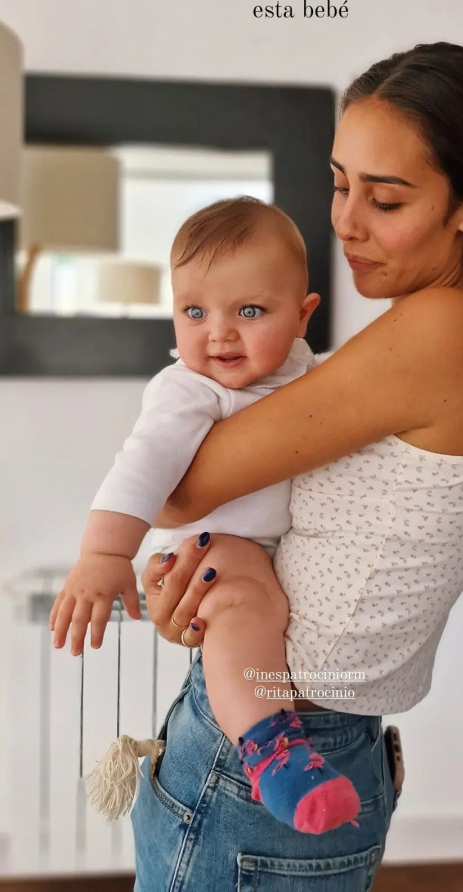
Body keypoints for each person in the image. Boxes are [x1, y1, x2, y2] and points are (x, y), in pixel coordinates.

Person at [131, 41, 463, 891]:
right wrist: (217, 605)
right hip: (307, 740)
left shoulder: (441, 332)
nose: (345, 221)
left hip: (270, 758)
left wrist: (184, 395)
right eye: (339, 182)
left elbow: (174, 487)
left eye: (385, 198)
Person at [49, 197, 362, 833]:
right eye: (195, 311)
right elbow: (144, 463)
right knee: (243, 601)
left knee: (259, 610)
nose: (217, 332)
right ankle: (272, 751)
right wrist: (104, 554)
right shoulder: (192, 389)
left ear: (302, 316)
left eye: (249, 310)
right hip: (219, 546)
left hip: (277, 557)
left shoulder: (313, 374)